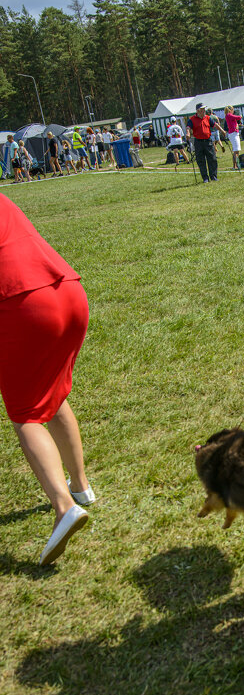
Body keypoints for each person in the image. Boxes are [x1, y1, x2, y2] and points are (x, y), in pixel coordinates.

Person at [0, 194, 96, 566]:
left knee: (25, 413)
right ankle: (82, 487)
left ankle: (63, 506)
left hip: (25, 304)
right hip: (69, 291)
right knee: (50, 396)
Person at [186, 102, 225, 183]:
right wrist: (188, 133)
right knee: (201, 161)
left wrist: (222, 130)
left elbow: (215, 125)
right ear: (198, 111)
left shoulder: (207, 118)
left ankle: (213, 177)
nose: (204, 111)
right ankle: (205, 178)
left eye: (204, 110)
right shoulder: (192, 119)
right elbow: (188, 127)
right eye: (202, 110)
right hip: (198, 142)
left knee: (212, 159)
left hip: (208, 141)